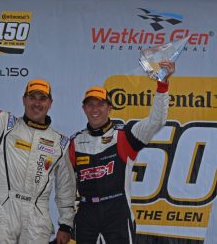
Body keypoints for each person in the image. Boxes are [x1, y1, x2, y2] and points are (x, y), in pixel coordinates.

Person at [0, 39, 76, 244]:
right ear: (24, 99)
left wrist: (66, 224)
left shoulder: (60, 143)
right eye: (32, 97)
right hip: (4, 210)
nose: (36, 103)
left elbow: (66, 187)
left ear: (50, 103)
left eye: (42, 98)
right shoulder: (5, 125)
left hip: (37, 216)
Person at [68, 61, 175, 244]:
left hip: (117, 210)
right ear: (84, 109)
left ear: (109, 108)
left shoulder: (125, 135)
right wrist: (65, 222)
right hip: (86, 212)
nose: (95, 109)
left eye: (100, 104)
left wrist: (162, 84)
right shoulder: (75, 142)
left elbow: (156, 121)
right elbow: (67, 187)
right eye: (90, 105)